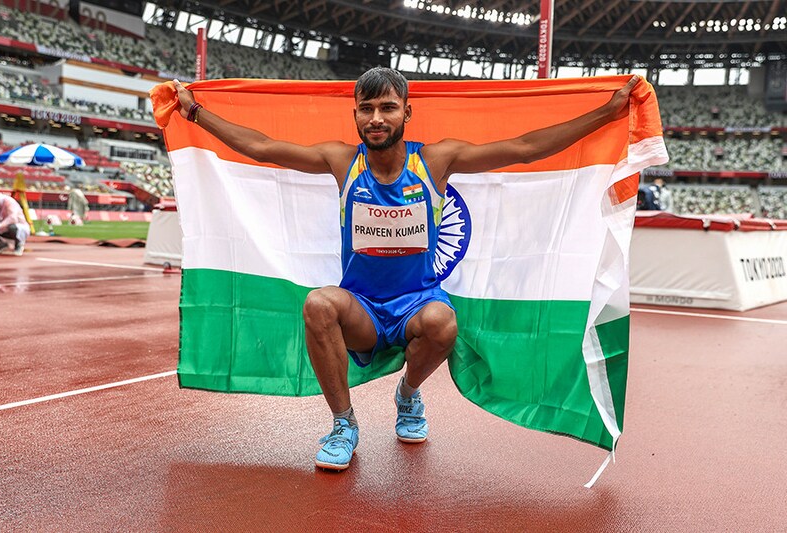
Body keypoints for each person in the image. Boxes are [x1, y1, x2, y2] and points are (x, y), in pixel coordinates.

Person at [172, 67, 639, 471]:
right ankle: (343, 425)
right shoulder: (342, 161)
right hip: (364, 310)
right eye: (367, 108)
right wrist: (195, 114)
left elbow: (524, 148)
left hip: (417, 303)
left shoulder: (434, 161)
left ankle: (408, 393)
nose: (377, 118)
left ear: (407, 113)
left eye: (388, 107)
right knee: (318, 304)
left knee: (442, 322)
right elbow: (262, 147)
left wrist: (606, 113)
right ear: (354, 114)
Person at [0, 192, 30, 256]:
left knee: (11, 227)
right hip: (3, 228)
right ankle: (2, 244)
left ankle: (19, 244)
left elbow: (13, 218)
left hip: (19, 227)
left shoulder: (9, 201)